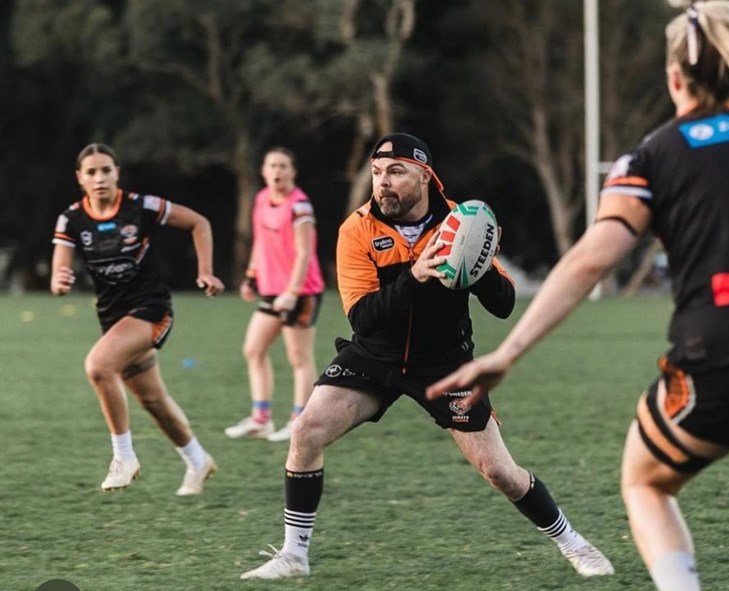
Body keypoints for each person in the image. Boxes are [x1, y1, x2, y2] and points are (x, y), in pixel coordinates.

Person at [427, 2, 729, 589]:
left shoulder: (652, 157)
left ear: (675, 78)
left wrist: (509, 352)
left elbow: (595, 257)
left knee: (646, 482)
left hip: (723, 350)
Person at [239, 133, 614, 580]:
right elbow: (363, 319)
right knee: (306, 432)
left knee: (499, 472)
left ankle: (575, 543)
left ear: (424, 176)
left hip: (445, 362)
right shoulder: (357, 230)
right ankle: (293, 556)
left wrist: (474, 265)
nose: (383, 183)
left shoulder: (463, 221)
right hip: (374, 357)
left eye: (395, 171)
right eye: (378, 173)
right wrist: (416, 276)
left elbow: (504, 304)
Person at [51, 143, 225, 496]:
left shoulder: (141, 206)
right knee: (153, 401)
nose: (99, 178)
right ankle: (197, 460)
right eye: (91, 172)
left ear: (117, 173)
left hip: (151, 309)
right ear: (80, 179)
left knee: (98, 366)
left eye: (105, 170)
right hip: (113, 319)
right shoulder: (71, 219)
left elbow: (198, 222)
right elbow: (59, 274)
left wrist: (205, 270)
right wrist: (59, 282)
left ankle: (123, 457)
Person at [224, 147, 325, 442]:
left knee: (298, 356)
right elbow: (261, 242)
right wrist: (251, 276)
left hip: (301, 291)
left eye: (283, 166)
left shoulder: (300, 206)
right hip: (271, 290)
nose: (277, 171)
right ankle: (261, 418)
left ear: (293, 171)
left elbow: (305, 252)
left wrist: (293, 292)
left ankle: (299, 420)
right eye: (272, 166)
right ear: (264, 171)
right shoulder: (260, 200)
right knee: (253, 349)